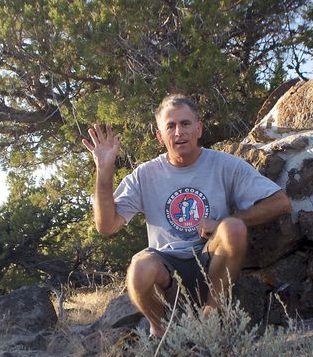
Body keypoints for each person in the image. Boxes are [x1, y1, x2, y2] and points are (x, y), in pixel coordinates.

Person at [83, 94, 291, 336]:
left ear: (199, 128)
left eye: (185, 123)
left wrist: (223, 222)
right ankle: (161, 331)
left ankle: (212, 317)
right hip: (166, 265)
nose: (179, 132)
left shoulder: (225, 165)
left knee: (233, 229)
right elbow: (106, 226)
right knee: (139, 269)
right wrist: (104, 170)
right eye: (170, 126)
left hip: (211, 259)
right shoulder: (145, 175)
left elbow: (280, 203)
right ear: (160, 136)